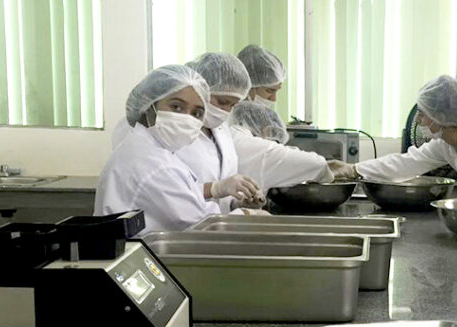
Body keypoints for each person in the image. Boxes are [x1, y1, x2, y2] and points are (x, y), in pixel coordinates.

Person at [95, 65, 260, 234]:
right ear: (149, 103)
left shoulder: (156, 150)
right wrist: (249, 215)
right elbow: (201, 223)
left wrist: (221, 192)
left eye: (196, 113)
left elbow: (183, 193)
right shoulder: (152, 163)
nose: (186, 118)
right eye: (176, 107)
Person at [330, 75, 457, 199]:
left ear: (442, 117)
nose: (417, 121)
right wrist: (353, 169)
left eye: (423, 113)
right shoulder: (446, 144)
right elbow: (405, 163)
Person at [177, 52, 264, 212]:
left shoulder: (221, 129)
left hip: (214, 226)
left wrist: (237, 203)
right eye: (223, 102)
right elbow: (169, 191)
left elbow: (222, 194)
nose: (225, 111)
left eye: (232, 105)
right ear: (200, 89)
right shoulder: (174, 131)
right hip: (184, 227)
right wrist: (215, 188)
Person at [229, 101, 333, 189]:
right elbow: (316, 164)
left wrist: (329, 165)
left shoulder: (236, 136)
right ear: (268, 132)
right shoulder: (249, 145)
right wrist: (331, 172)